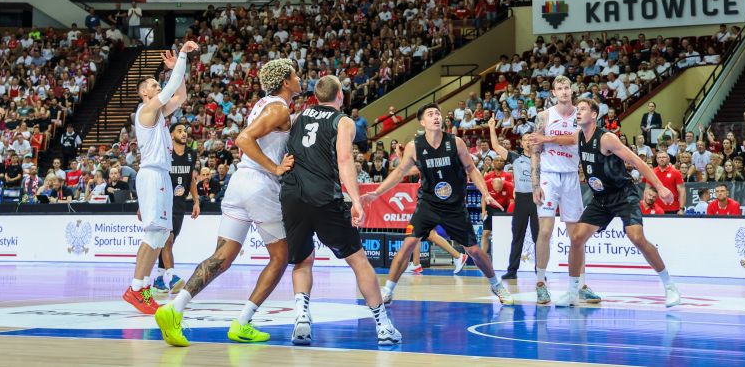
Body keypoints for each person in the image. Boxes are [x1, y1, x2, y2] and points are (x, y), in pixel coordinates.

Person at [155, 58, 299, 347]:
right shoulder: (278, 107)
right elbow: (244, 139)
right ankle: (242, 323)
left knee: (221, 257)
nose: (299, 79)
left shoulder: (266, 105)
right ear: (285, 81)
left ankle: (174, 308)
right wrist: (275, 168)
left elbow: (271, 133)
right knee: (281, 258)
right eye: (295, 75)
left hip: (239, 185)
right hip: (260, 185)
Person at [282, 75, 401, 347]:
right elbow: (345, 159)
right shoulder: (343, 121)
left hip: (292, 196)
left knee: (303, 260)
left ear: (315, 96)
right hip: (325, 196)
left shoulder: (297, 117)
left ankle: (301, 319)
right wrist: (356, 200)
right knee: (358, 260)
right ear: (341, 97)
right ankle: (383, 325)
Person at [364, 103, 511, 308]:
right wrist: (377, 193)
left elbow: (471, 169)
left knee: (475, 251)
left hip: (454, 207)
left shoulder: (456, 142)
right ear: (423, 122)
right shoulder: (415, 147)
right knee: (408, 245)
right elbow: (399, 173)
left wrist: (485, 194)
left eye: (438, 114)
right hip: (428, 205)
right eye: (431, 114)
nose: (436, 117)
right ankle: (387, 290)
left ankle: (496, 285)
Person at [565, 98, 681, 308]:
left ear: (594, 115)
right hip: (601, 198)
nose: (577, 112)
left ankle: (670, 286)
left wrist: (661, 187)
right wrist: (541, 139)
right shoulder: (579, 136)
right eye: (577, 109)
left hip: (623, 194)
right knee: (576, 238)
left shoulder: (606, 138)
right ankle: (573, 291)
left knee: (636, 237)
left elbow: (637, 162)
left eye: (582, 109)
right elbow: (563, 141)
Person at [123, 40, 198, 315]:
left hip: (161, 176)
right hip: (153, 174)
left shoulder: (157, 113)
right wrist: (181, 56)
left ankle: (141, 287)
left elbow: (180, 97)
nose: (157, 87)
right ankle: (136, 288)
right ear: (144, 93)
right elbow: (170, 90)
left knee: (162, 233)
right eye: (153, 85)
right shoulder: (145, 111)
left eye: (157, 84)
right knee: (154, 233)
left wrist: (178, 70)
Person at [526, 75, 601, 306]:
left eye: (567, 87)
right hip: (549, 176)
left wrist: (551, 138)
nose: (564, 91)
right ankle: (540, 283)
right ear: (554, 93)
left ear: (573, 90)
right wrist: (535, 185)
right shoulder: (544, 116)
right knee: (545, 231)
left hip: (570, 178)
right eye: (559, 88)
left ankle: (581, 284)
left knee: (577, 236)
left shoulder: (581, 116)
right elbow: (536, 151)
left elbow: (578, 139)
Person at [486, 118, 540, 280]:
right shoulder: (516, 158)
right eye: (525, 140)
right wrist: (491, 128)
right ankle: (512, 270)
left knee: (539, 237)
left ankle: (540, 271)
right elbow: (495, 146)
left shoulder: (542, 158)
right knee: (518, 236)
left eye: (531, 139)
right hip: (522, 200)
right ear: (521, 143)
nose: (528, 142)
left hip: (538, 200)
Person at [152, 123, 201, 296]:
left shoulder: (191, 154)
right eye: (180, 131)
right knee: (168, 239)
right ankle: (172, 277)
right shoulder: (165, 153)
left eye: (185, 131)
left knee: (169, 242)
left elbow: (191, 179)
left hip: (180, 204)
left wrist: (196, 200)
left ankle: (158, 280)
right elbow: (155, 178)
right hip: (164, 202)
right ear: (171, 135)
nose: (184, 134)